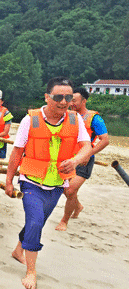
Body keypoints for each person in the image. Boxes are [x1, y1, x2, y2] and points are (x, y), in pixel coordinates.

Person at [5, 77, 92, 289]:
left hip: (56, 184)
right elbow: (17, 152)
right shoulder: (30, 120)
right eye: (58, 97)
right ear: (47, 96)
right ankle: (31, 272)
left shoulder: (75, 120)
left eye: (68, 97)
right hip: (31, 181)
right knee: (35, 222)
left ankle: (19, 250)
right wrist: (9, 181)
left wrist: (75, 161)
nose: (64, 102)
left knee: (38, 221)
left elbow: (87, 147)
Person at [55, 87, 110, 231]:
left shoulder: (95, 118)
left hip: (84, 159)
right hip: (66, 157)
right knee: (64, 189)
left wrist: (87, 154)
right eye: (69, 100)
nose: (70, 103)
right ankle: (77, 206)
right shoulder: (66, 115)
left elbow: (105, 140)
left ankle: (64, 221)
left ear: (84, 101)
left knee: (71, 190)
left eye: (74, 100)